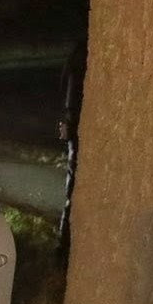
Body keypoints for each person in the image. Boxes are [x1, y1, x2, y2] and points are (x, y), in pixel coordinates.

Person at [56, 36, 89, 261]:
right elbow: (71, 90)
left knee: (74, 185)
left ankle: (65, 244)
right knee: (74, 188)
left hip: (77, 126)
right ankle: (65, 246)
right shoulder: (83, 52)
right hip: (78, 128)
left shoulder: (80, 51)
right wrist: (69, 120)